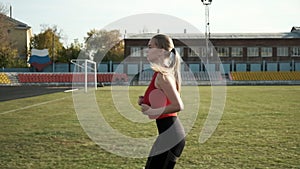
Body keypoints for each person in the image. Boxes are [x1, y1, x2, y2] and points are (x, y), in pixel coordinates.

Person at [138, 34, 185, 169]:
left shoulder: (163, 76)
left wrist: (152, 111)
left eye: (150, 47)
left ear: (161, 51)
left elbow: (178, 105)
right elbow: (164, 100)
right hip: (167, 135)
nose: (147, 50)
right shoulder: (159, 74)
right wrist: (144, 100)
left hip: (171, 137)